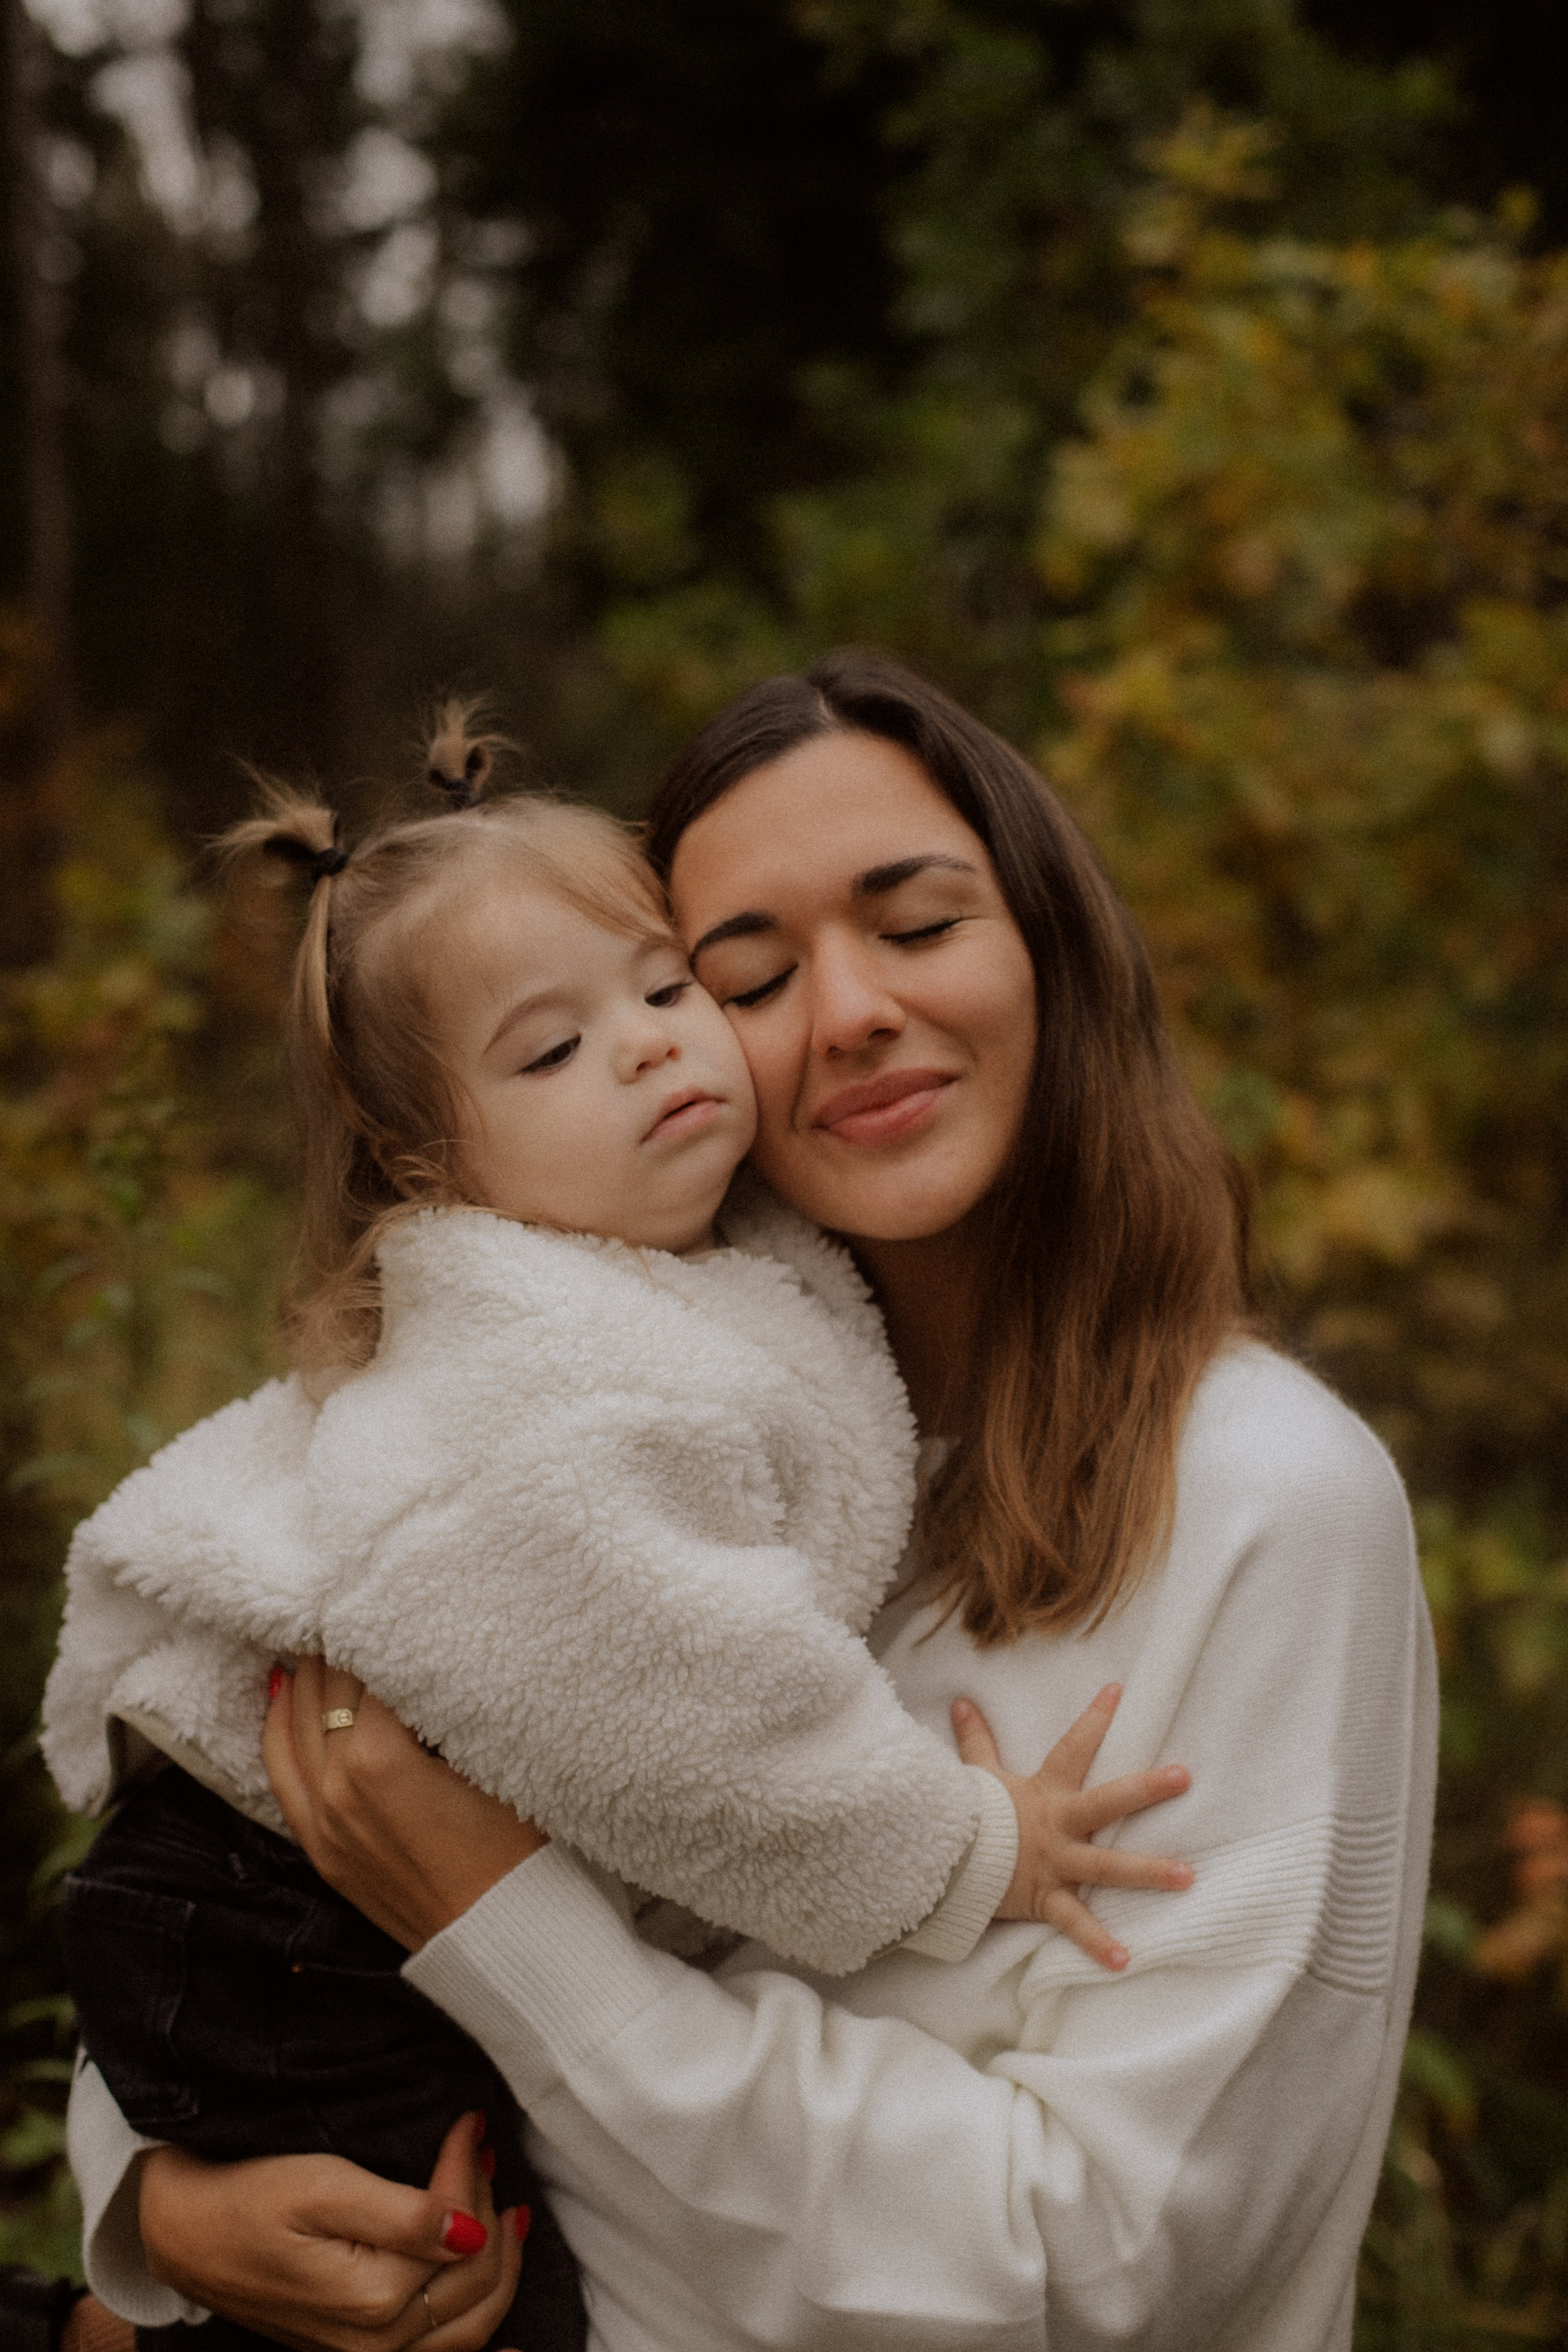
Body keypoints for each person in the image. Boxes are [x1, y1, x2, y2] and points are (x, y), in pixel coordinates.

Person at [66, 651, 1438, 2352]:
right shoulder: (627, 1418)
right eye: (753, 969)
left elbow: (1115, 2272)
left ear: (1058, 953)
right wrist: (160, 2201)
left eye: (920, 924)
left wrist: (506, 1932)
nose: (850, 1009)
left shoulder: (1263, 1501)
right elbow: (256, 1806)